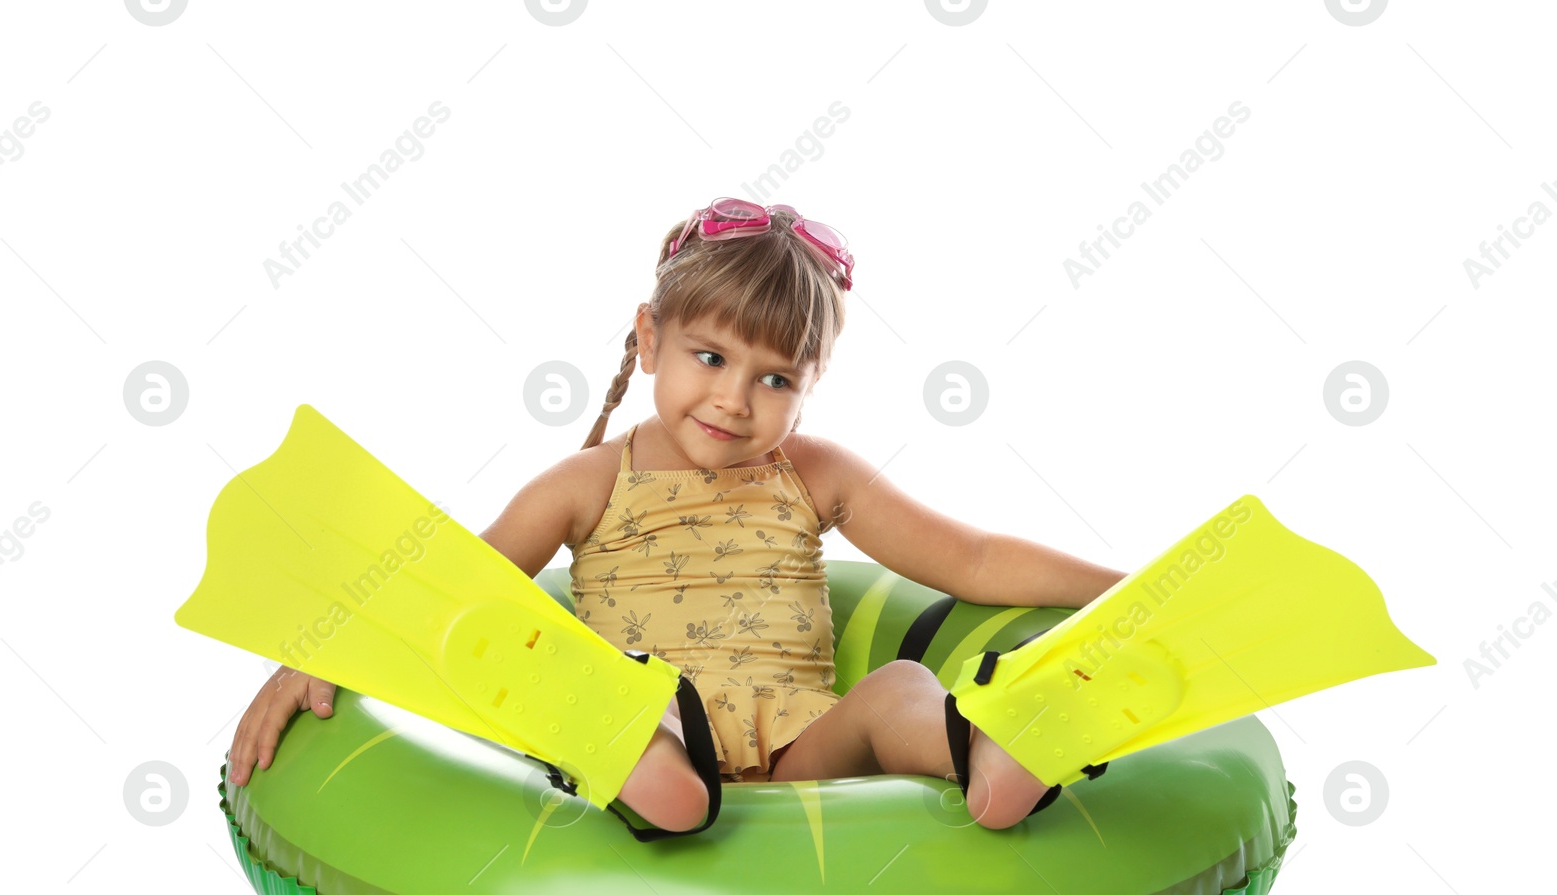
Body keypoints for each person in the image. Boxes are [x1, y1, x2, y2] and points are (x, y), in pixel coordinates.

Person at [227, 197, 1126, 833]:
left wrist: (1129, 592)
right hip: (656, 719)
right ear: (650, 337)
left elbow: (969, 559)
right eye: (709, 356)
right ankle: (644, 776)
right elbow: (452, 592)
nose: (736, 399)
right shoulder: (586, 483)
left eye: (776, 379)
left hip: (801, 750)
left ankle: (998, 759)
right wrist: (317, 650)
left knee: (896, 690)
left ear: (810, 392)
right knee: (616, 681)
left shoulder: (814, 474)